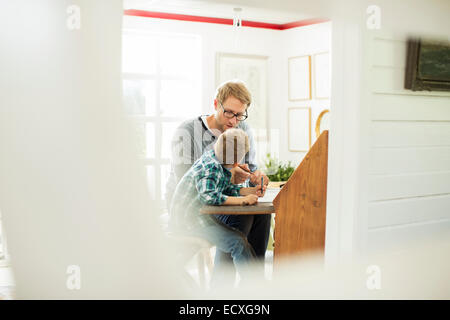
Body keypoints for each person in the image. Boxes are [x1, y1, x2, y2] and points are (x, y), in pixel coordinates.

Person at [165, 80, 271, 285]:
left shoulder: (242, 129)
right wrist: (233, 180)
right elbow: (191, 185)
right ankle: (222, 290)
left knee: (261, 215)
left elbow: (250, 166)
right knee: (242, 219)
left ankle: (254, 288)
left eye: (240, 115)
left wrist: (256, 177)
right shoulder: (187, 131)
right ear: (216, 104)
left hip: (222, 197)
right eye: (229, 112)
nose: (234, 121)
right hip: (192, 205)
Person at [169, 129, 265, 282]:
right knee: (237, 243)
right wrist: (243, 200)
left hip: (200, 219)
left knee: (239, 240)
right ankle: (255, 286)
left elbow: (226, 189)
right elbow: (209, 196)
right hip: (189, 223)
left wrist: (250, 191)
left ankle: (256, 283)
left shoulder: (216, 160)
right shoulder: (211, 167)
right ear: (235, 161)